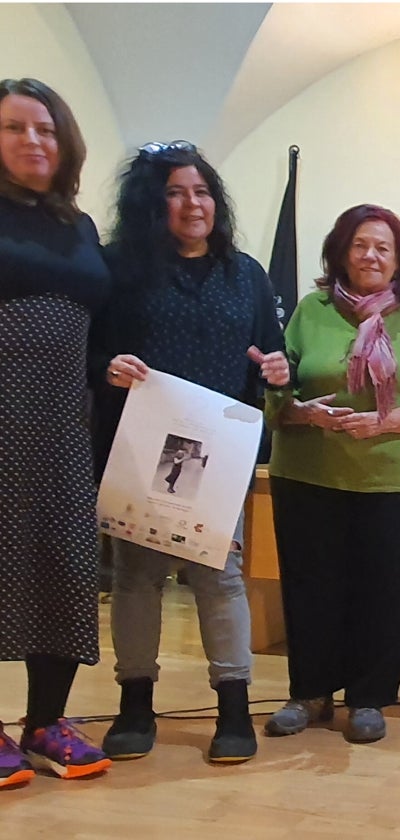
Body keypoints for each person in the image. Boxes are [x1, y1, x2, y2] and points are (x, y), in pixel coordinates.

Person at [92, 142, 288, 764]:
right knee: (137, 578)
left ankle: (233, 708)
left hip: (218, 450)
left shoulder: (247, 273)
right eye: (176, 193)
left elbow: (272, 355)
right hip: (139, 445)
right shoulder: (118, 268)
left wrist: (280, 369)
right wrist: (106, 367)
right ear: (153, 204)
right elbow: (90, 349)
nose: (192, 204)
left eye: (202, 191)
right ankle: (135, 704)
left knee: (219, 575)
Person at [264, 204, 400, 744]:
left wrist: (384, 423)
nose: (370, 255)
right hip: (309, 474)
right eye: (360, 244)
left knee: (385, 589)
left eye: (383, 247)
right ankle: (309, 693)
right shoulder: (311, 311)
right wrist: (305, 411)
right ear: (340, 252)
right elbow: (277, 390)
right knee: (311, 585)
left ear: (399, 259)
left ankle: (368, 697)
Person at [0, 77, 112, 785]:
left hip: (66, 422)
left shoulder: (79, 226)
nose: (32, 141)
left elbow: (91, 326)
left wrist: (111, 365)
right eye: (14, 128)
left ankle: (45, 721)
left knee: (65, 567)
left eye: (44, 128)